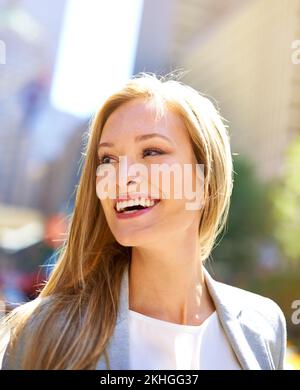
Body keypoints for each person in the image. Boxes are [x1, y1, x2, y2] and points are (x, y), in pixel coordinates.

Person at [0, 72, 286, 370]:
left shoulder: (264, 326)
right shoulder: (40, 332)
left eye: (151, 152)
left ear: (205, 181)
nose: (122, 177)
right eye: (107, 159)